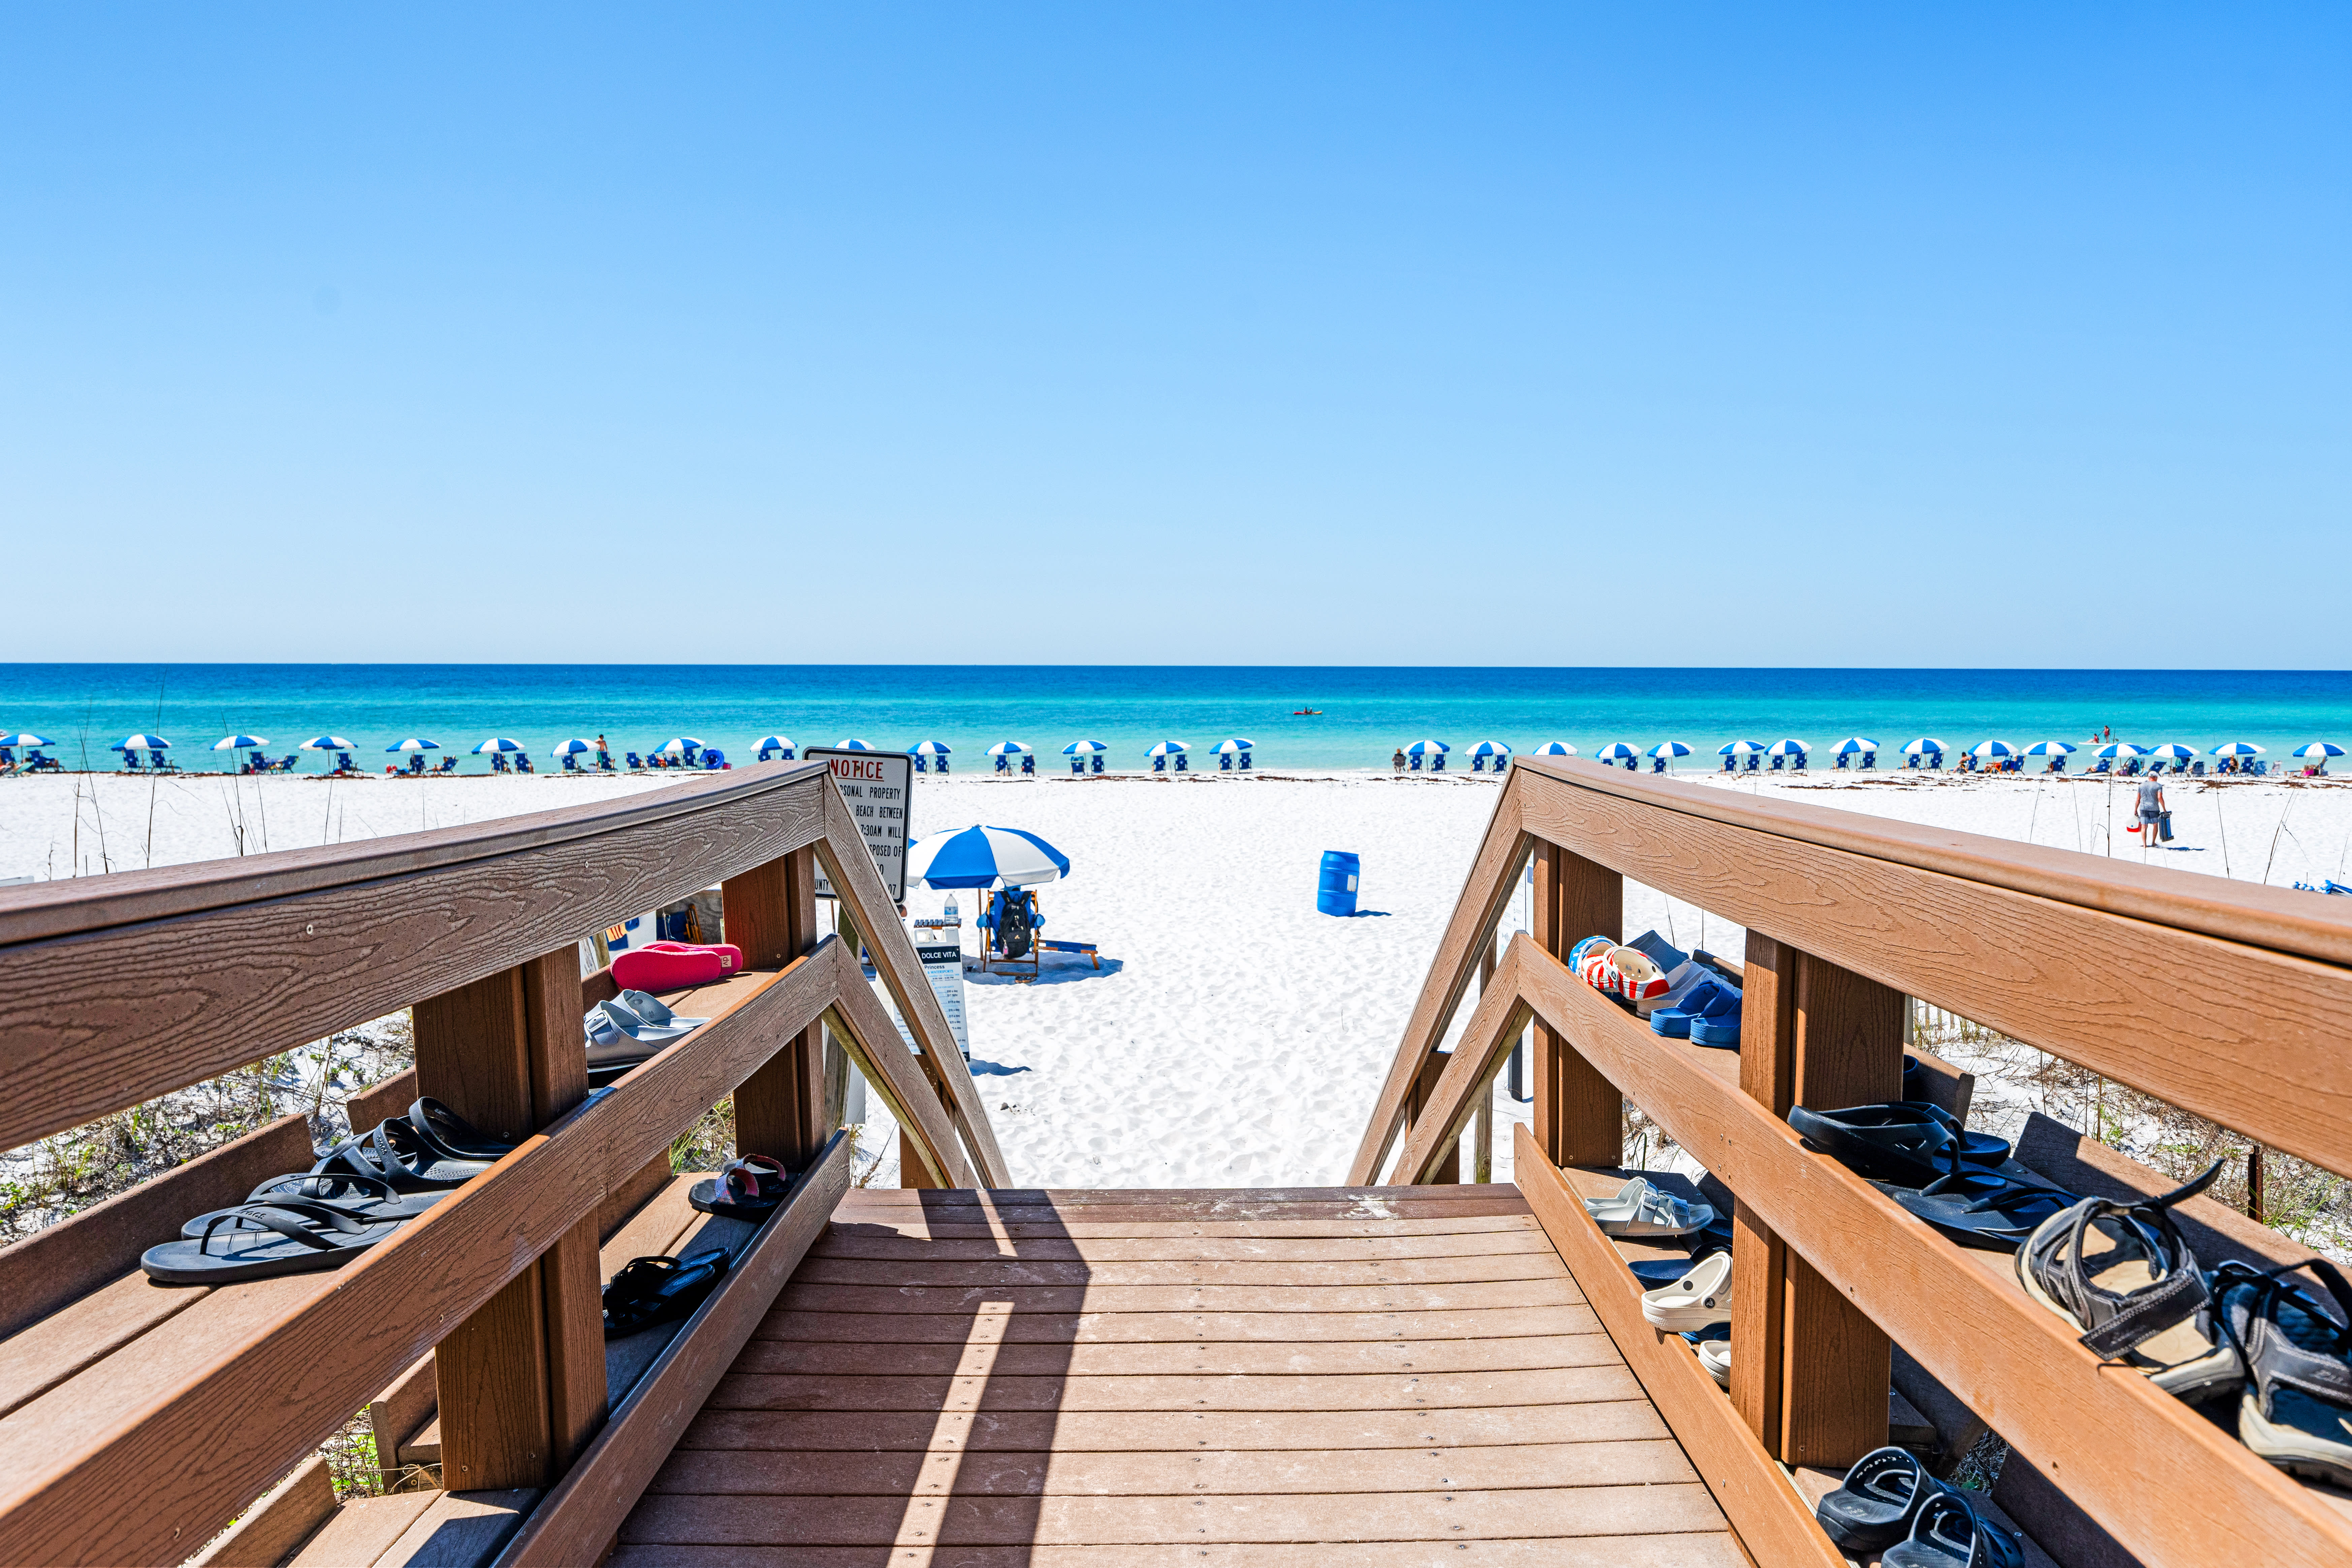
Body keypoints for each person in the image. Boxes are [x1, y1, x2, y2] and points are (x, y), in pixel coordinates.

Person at [2135, 773, 2166, 851]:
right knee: (2155, 825)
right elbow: (2160, 798)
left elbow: (2138, 799)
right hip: (2154, 808)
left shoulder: (2141, 786)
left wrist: (2135, 810)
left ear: (2149, 777)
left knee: (2144, 827)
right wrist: (2164, 809)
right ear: (2155, 778)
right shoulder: (2158, 786)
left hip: (2143, 808)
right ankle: (2153, 843)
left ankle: (2145, 845)